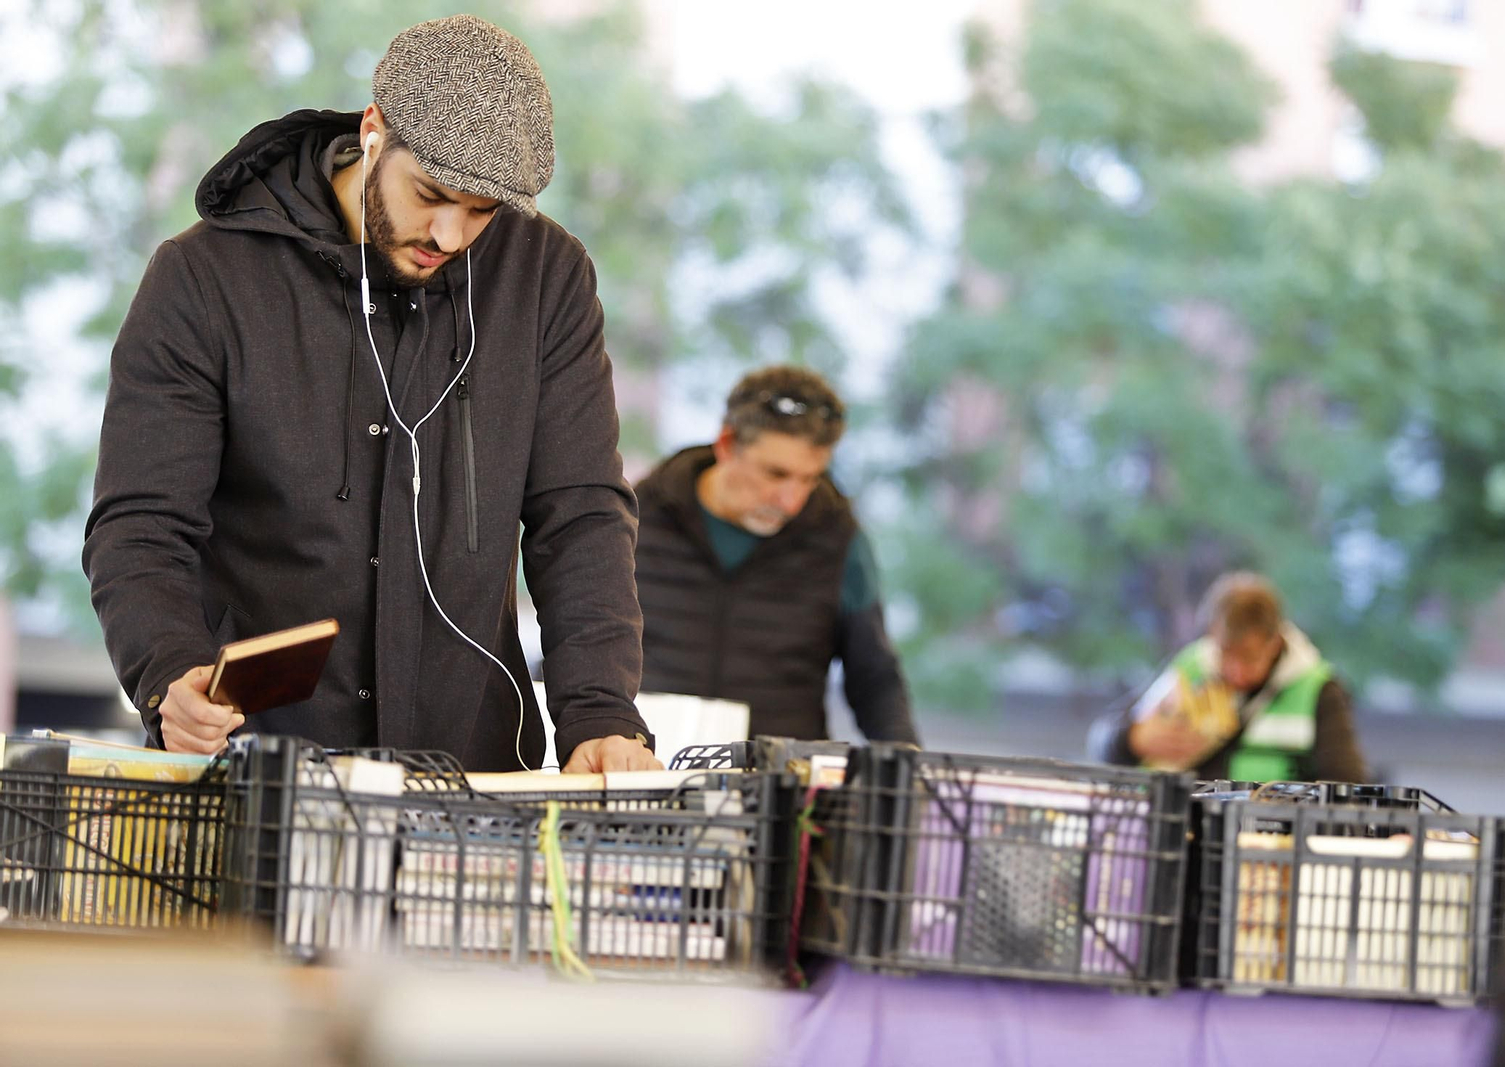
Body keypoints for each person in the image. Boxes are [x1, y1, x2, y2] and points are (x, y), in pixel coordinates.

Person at [82, 15, 659, 773]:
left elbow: (580, 515)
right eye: (430, 194)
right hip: (252, 770)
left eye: (482, 212)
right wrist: (169, 672)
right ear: (374, 130)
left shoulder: (546, 277)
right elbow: (141, 524)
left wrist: (600, 713)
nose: (450, 235)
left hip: (471, 775)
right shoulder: (205, 279)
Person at [633, 366, 920, 745]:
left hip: (784, 776)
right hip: (648, 767)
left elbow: (874, 676)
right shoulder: (634, 519)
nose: (790, 501)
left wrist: (905, 759)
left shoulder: (838, 537)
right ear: (727, 444)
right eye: (776, 474)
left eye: (810, 478)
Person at [1094, 572, 1367, 782]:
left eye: (1249, 658)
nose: (1235, 671)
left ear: (1274, 643)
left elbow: (1346, 782)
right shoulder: (1191, 667)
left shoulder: (1317, 688)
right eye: (1225, 654)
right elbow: (1103, 741)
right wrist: (1132, 739)